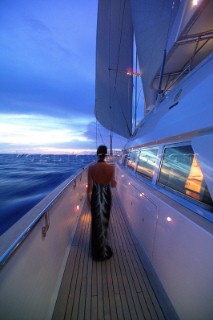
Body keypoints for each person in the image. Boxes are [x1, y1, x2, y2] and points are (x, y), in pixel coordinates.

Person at [87, 145, 116, 261]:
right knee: (104, 221)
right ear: (106, 155)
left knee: (95, 223)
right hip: (106, 196)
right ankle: (103, 248)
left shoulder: (91, 168)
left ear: (97, 154)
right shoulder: (111, 168)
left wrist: (89, 201)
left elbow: (89, 188)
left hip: (95, 196)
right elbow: (113, 185)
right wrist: (111, 180)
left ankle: (96, 252)